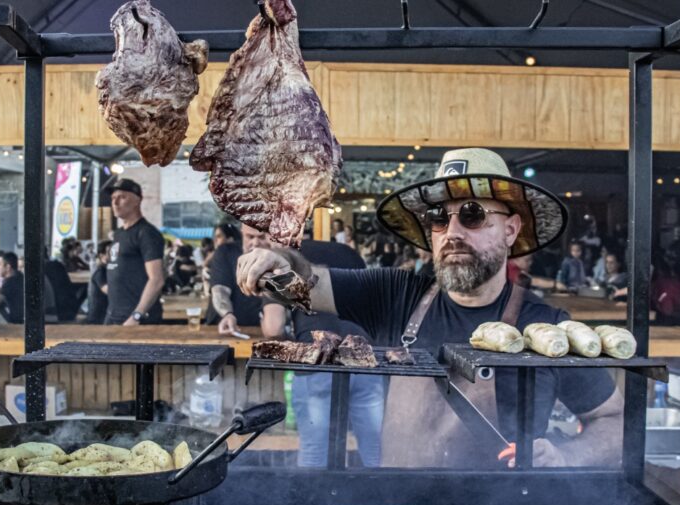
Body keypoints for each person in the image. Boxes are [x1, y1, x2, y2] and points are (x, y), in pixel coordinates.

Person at [237, 148, 622, 468]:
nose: (452, 232)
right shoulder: (397, 295)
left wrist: (568, 455)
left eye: (472, 214)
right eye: (439, 218)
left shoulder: (545, 328)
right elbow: (309, 281)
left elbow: (615, 422)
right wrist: (280, 260)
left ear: (510, 230)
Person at [265, 234, 383, 468]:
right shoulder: (348, 252)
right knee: (376, 451)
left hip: (317, 363)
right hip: (366, 359)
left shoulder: (280, 263)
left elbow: (273, 326)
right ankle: (386, 502)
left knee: (314, 454)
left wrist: (296, 336)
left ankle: (317, 503)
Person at [103, 179, 164, 326]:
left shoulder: (146, 233)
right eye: (113, 198)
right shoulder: (118, 234)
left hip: (136, 320)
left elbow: (157, 279)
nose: (115, 202)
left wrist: (137, 315)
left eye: (122, 197)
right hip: (113, 315)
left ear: (137, 200)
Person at [207, 223, 283, 335]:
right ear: (242, 233)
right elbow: (220, 290)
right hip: (228, 329)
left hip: (264, 330)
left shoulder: (280, 257)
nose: (256, 243)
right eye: (250, 237)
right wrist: (227, 313)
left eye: (261, 237)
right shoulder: (225, 252)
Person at [0, 251, 25, 324]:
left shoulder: (10, 282)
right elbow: (1, 291)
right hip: (22, 318)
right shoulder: (19, 276)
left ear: (8, 267)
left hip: (16, 322)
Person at [86, 241, 112, 325]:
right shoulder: (100, 271)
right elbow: (110, 291)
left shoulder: (108, 269)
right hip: (99, 319)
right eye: (110, 252)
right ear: (102, 256)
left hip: (106, 314)